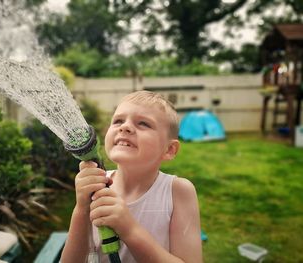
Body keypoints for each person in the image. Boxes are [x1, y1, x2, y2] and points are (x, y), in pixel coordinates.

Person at [60, 90, 202, 263]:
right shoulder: (95, 186)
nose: (124, 127)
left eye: (143, 123)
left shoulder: (178, 191)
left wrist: (129, 230)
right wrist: (82, 209)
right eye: (118, 120)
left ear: (169, 150)